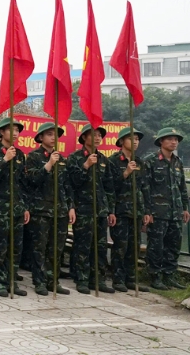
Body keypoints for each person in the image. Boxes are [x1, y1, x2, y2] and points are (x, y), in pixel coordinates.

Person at [66, 124, 116, 295]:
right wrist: (86, 166)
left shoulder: (104, 160)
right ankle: (82, 279)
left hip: (101, 210)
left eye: (99, 135)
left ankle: (98, 279)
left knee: (100, 246)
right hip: (83, 209)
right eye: (93, 135)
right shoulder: (75, 158)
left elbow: (109, 187)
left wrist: (110, 210)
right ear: (84, 138)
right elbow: (72, 183)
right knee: (83, 246)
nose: (97, 138)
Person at [25, 123, 74, 296]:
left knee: (57, 248)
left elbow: (67, 185)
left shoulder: (62, 159)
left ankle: (53, 281)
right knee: (40, 248)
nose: (53, 137)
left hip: (60, 211)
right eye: (49, 134)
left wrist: (71, 207)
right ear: (40, 137)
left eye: (56, 135)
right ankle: (39, 281)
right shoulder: (33, 157)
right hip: (41, 210)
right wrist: (48, 165)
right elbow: (31, 180)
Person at [0, 118, 29, 298]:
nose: (15, 133)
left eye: (17, 130)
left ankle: (12, 281)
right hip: (0, 207)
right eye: (11, 129)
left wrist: (24, 206)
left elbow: (22, 183)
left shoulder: (20, 154)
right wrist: (4, 160)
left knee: (16, 247)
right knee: (0, 247)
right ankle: (0, 282)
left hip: (17, 207)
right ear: (2, 132)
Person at [143, 127, 189, 290]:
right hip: (158, 213)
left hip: (175, 212)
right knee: (156, 246)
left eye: (176, 139)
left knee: (174, 245)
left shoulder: (178, 162)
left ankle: (169, 275)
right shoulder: (150, 161)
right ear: (161, 141)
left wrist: (185, 208)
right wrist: (147, 211)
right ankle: (155, 276)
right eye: (170, 139)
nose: (174, 142)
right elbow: (145, 188)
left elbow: (182, 187)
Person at [109, 127, 150, 293]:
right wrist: (125, 173)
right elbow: (110, 187)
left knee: (134, 246)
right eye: (131, 138)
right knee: (121, 246)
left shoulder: (140, 162)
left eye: (137, 139)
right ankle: (118, 279)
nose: (135, 142)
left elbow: (145, 188)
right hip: (120, 210)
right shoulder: (113, 161)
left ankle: (131, 279)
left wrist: (146, 211)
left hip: (136, 210)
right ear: (121, 141)